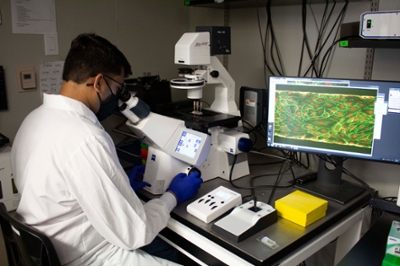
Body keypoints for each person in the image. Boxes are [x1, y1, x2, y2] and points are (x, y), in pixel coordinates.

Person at [10, 33, 203, 266]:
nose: (119, 97)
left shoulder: (34, 119)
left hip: (51, 246)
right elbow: (135, 232)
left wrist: (118, 186)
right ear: (99, 82)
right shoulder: (86, 137)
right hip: (87, 256)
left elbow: (64, 190)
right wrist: (173, 195)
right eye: (119, 88)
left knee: (166, 249)